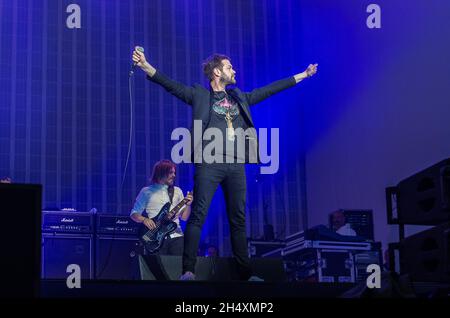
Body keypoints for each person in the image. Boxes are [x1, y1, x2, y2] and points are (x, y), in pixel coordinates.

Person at [132, 49, 318, 281]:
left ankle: (245, 274)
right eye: (230, 67)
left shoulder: (239, 97)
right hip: (209, 163)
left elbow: (269, 89)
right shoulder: (201, 95)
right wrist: (146, 66)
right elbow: (172, 85)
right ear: (217, 72)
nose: (235, 70)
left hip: (235, 165)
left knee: (238, 219)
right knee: (198, 216)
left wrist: (303, 75)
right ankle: (188, 270)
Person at [130, 159, 193, 256]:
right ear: (161, 173)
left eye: (174, 173)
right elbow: (134, 213)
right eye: (171, 173)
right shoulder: (146, 191)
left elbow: (184, 217)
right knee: (158, 270)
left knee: (178, 268)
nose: (174, 175)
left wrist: (188, 205)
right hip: (155, 238)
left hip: (176, 236)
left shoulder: (177, 191)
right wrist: (144, 219)